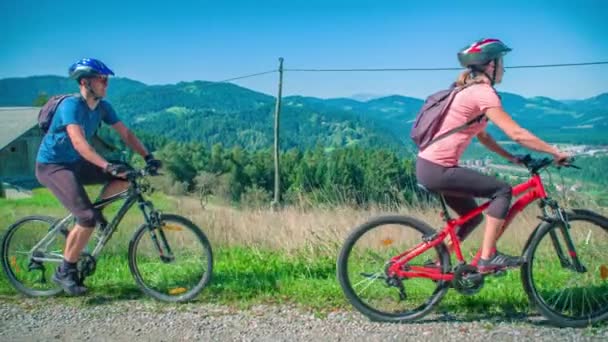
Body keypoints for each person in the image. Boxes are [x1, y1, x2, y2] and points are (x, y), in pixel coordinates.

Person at [415, 39, 570, 273]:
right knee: (503, 191)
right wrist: (554, 152)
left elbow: (484, 137)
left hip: (429, 166)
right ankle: (488, 258)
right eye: (502, 62)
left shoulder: (468, 91)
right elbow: (516, 133)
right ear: (490, 65)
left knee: (471, 217)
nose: (505, 69)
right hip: (438, 169)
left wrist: (512, 158)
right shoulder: (482, 93)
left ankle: (441, 263)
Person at [35, 58, 162, 294]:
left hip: (76, 163)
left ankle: (96, 216)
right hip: (53, 166)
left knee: (124, 175)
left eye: (107, 79)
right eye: (101, 79)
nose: (106, 83)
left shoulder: (103, 107)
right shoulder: (70, 107)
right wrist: (105, 165)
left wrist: (148, 157)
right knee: (86, 217)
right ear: (85, 82)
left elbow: (126, 133)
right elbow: (80, 143)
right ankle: (65, 271)